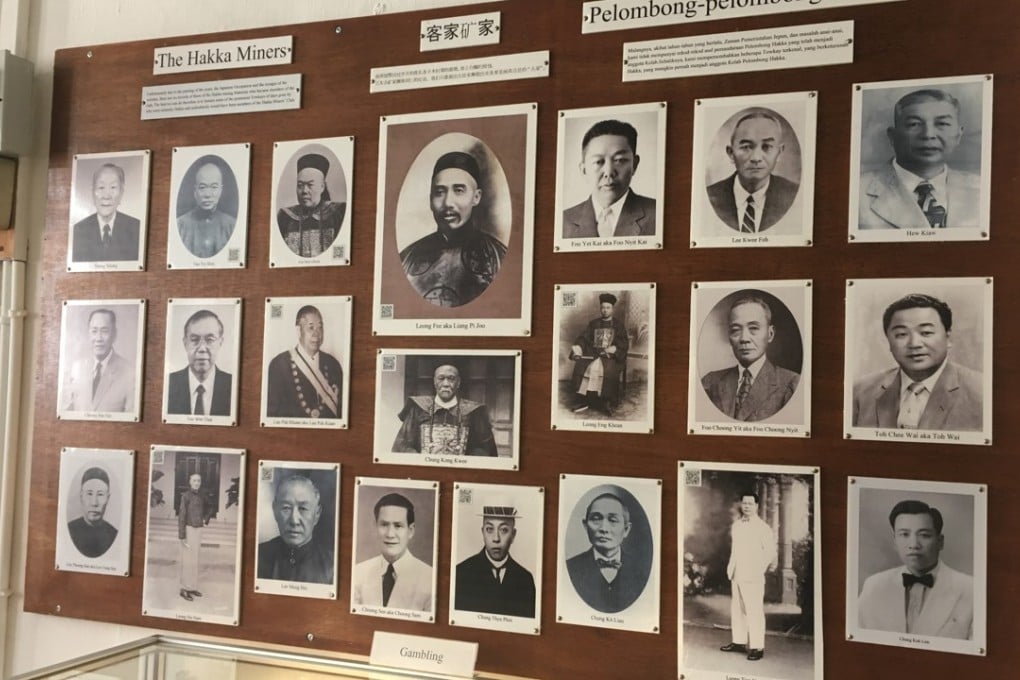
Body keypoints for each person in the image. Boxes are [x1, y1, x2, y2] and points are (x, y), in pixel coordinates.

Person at [852, 293, 983, 430]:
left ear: (948, 338)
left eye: (926, 332)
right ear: (889, 342)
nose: (914, 344)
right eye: (901, 334)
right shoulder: (859, 393)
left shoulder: (981, 392)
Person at [859, 89, 980, 230]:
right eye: (914, 124)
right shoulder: (857, 192)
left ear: (958, 135)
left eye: (942, 124)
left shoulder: (981, 189)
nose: (928, 135)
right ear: (893, 136)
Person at [399, 150, 507, 307]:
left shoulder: (498, 257)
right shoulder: (407, 259)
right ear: (431, 200)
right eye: (439, 192)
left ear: (476, 197)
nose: (448, 202)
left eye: (459, 190)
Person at [857, 500, 973, 639]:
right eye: (904, 534)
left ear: (940, 542)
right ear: (895, 541)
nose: (914, 545)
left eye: (924, 535)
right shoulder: (874, 586)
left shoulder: (970, 589)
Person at [700, 296, 800, 421]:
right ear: (729, 336)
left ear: (770, 334)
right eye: (735, 330)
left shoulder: (791, 383)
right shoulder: (710, 382)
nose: (744, 338)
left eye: (753, 328)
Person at [706, 110, 799, 233]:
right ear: (731, 153)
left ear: (779, 152)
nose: (756, 158)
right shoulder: (711, 196)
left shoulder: (794, 195)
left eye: (767, 147)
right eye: (746, 147)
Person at [562, 119, 656, 239]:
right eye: (598, 162)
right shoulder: (563, 221)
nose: (609, 172)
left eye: (620, 160)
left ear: (634, 164)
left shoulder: (657, 214)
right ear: (583, 169)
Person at [391, 363, 497, 456]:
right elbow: (402, 445)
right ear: (435, 382)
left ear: (458, 383)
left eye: (451, 379)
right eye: (441, 378)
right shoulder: (418, 408)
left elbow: (485, 448)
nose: (446, 384)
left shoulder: (474, 412)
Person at [566, 492, 646, 613]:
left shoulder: (641, 571)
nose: (604, 528)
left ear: (626, 529)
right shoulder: (570, 567)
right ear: (586, 526)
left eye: (613, 520)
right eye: (596, 519)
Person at [719, 493, 776, 662]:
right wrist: (732, 568)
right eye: (744, 503)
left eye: (750, 503)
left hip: (753, 575)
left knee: (754, 611)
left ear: (757, 506)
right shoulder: (737, 525)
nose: (747, 506)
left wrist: (758, 569)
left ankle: (757, 647)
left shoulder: (763, 527)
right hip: (737, 573)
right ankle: (738, 642)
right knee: (737, 609)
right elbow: (735, 550)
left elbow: (770, 552)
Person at [352, 493, 433, 611]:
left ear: (410, 531)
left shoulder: (429, 578)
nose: (390, 534)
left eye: (398, 526)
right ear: (375, 527)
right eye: (384, 525)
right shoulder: (358, 573)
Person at [454, 503, 536, 618]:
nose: (496, 538)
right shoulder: (461, 573)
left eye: (503, 530)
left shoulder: (525, 579)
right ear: (482, 532)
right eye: (489, 529)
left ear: (513, 535)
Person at [266, 305, 343, 419]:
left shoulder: (333, 365)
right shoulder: (279, 365)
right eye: (311, 328)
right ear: (299, 330)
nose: (317, 333)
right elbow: (272, 416)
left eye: (320, 327)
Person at [257, 474, 333, 584]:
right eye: (286, 508)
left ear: (317, 514)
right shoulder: (258, 555)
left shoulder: (332, 565)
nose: (294, 520)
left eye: (303, 508)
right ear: (275, 510)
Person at [63, 308, 136, 413]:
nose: (98, 338)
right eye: (94, 331)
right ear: (89, 334)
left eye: (104, 331)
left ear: (114, 334)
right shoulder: (76, 368)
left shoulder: (130, 373)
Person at [568, 293, 629, 417]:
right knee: (583, 366)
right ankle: (584, 399)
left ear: (612, 309)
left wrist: (615, 348)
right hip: (593, 353)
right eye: (603, 307)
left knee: (607, 370)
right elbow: (583, 338)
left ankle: (605, 401)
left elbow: (623, 342)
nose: (605, 310)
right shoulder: (593, 323)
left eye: (608, 308)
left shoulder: (618, 325)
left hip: (610, 356)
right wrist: (578, 347)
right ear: (600, 308)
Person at [276, 152, 346, 257]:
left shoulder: (338, 212)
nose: (304, 191)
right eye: (300, 185)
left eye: (310, 185)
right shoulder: (285, 216)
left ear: (322, 187)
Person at [166, 310, 233, 416]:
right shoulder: (168, 384)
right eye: (194, 339)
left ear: (220, 342)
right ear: (185, 343)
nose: (202, 348)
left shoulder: (232, 385)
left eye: (210, 340)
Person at [71, 163, 141, 262]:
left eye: (113, 187)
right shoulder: (78, 231)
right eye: (101, 187)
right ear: (92, 191)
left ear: (121, 192)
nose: (106, 196)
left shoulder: (136, 228)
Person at [177, 159, 235, 258]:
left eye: (214, 187)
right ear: (195, 191)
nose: (208, 194)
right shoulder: (180, 225)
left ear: (221, 190)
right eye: (202, 187)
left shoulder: (231, 225)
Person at [66, 466, 118, 558]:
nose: (94, 503)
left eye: (100, 494)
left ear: (108, 498)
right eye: (89, 494)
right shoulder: (69, 531)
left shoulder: (114, 534)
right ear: (81, 496)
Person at [178, 472, 210, 602]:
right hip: (188, 530)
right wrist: (182, 536)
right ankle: (184, 589)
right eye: (194, 480)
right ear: (190, 482)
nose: (197, 483)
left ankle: (192, 587)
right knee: (187, 560)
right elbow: (181, 516)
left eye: (199, 480)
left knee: (195, 559)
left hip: (198, 530)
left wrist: (205, 519)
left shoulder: (203, 495)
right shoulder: (185, 496)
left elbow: (210, 507)